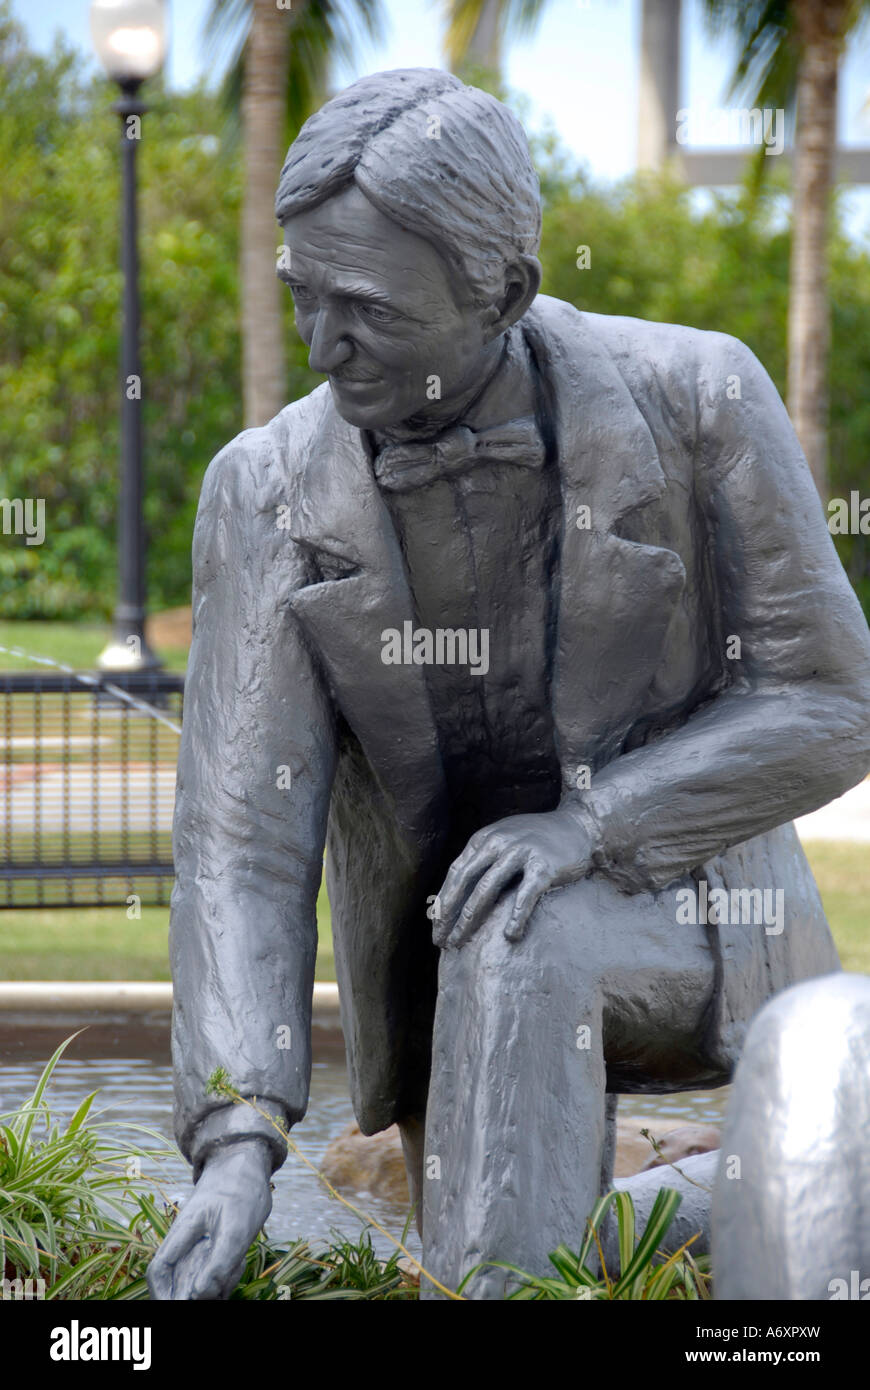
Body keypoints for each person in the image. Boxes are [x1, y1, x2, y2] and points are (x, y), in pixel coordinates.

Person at [147, 68, 870, 1301]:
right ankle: (653, 1216)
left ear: (507, 291)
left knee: (522, 928)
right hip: (447, 991)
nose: (325, 350)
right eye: (301, 298)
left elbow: (832, 699)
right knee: (503, 958)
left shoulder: (698, 401)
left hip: (699, 914)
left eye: (366, 309)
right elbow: (243, 840)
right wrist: (234, 1144)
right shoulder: (263, 487)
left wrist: (593, 827)